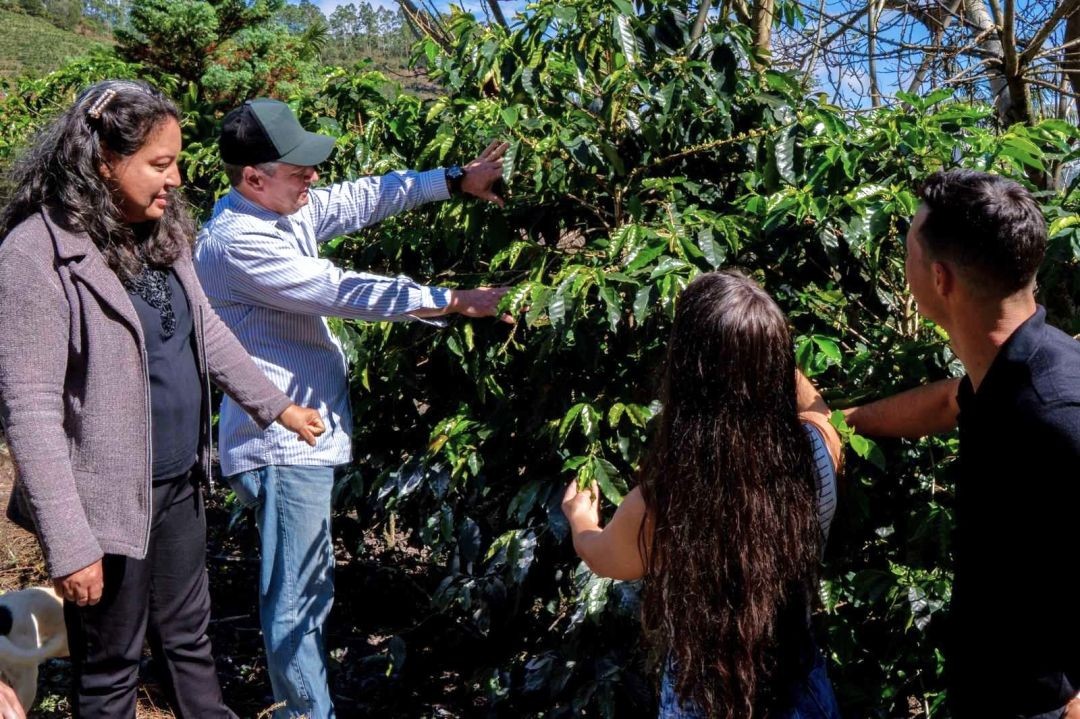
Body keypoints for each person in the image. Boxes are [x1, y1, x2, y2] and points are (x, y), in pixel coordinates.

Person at [0, 80, 325, 718]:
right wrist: (71, 544)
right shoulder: (37, 255)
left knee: (189, 640)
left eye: (175, 161)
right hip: (104, 504)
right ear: (101, 162)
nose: (176, 178)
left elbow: (208, 331)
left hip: (177, 481)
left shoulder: (161, 234)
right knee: (111, 666)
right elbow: (30, 409)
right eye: (160, 163)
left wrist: (275, 404)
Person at [193, 98, 513, 718]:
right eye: (298, 169)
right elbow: (340, 291)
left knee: (306, 590)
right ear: (254, 178)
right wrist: (452, 299)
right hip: (282, 444)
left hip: (303, 439)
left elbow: (364, 196)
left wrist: (453, 181)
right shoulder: (238, 241)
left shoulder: (283, 209)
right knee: (297, 597)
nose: (313, 178)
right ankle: (308, 712)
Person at [843, 169, 1080, 719]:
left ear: (942, 280)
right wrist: (841, 420)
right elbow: (949, 402)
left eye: (908, 254)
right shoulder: (1011, 369)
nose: (903, 270)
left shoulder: (1056, 413)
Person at [561, 270, 843, 719]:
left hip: (704, 698)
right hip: (800, 689)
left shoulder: (668, 498)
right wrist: (756, 338)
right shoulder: (817, 453)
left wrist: (580, 518)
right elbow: (818, 409)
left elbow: (605, 558)